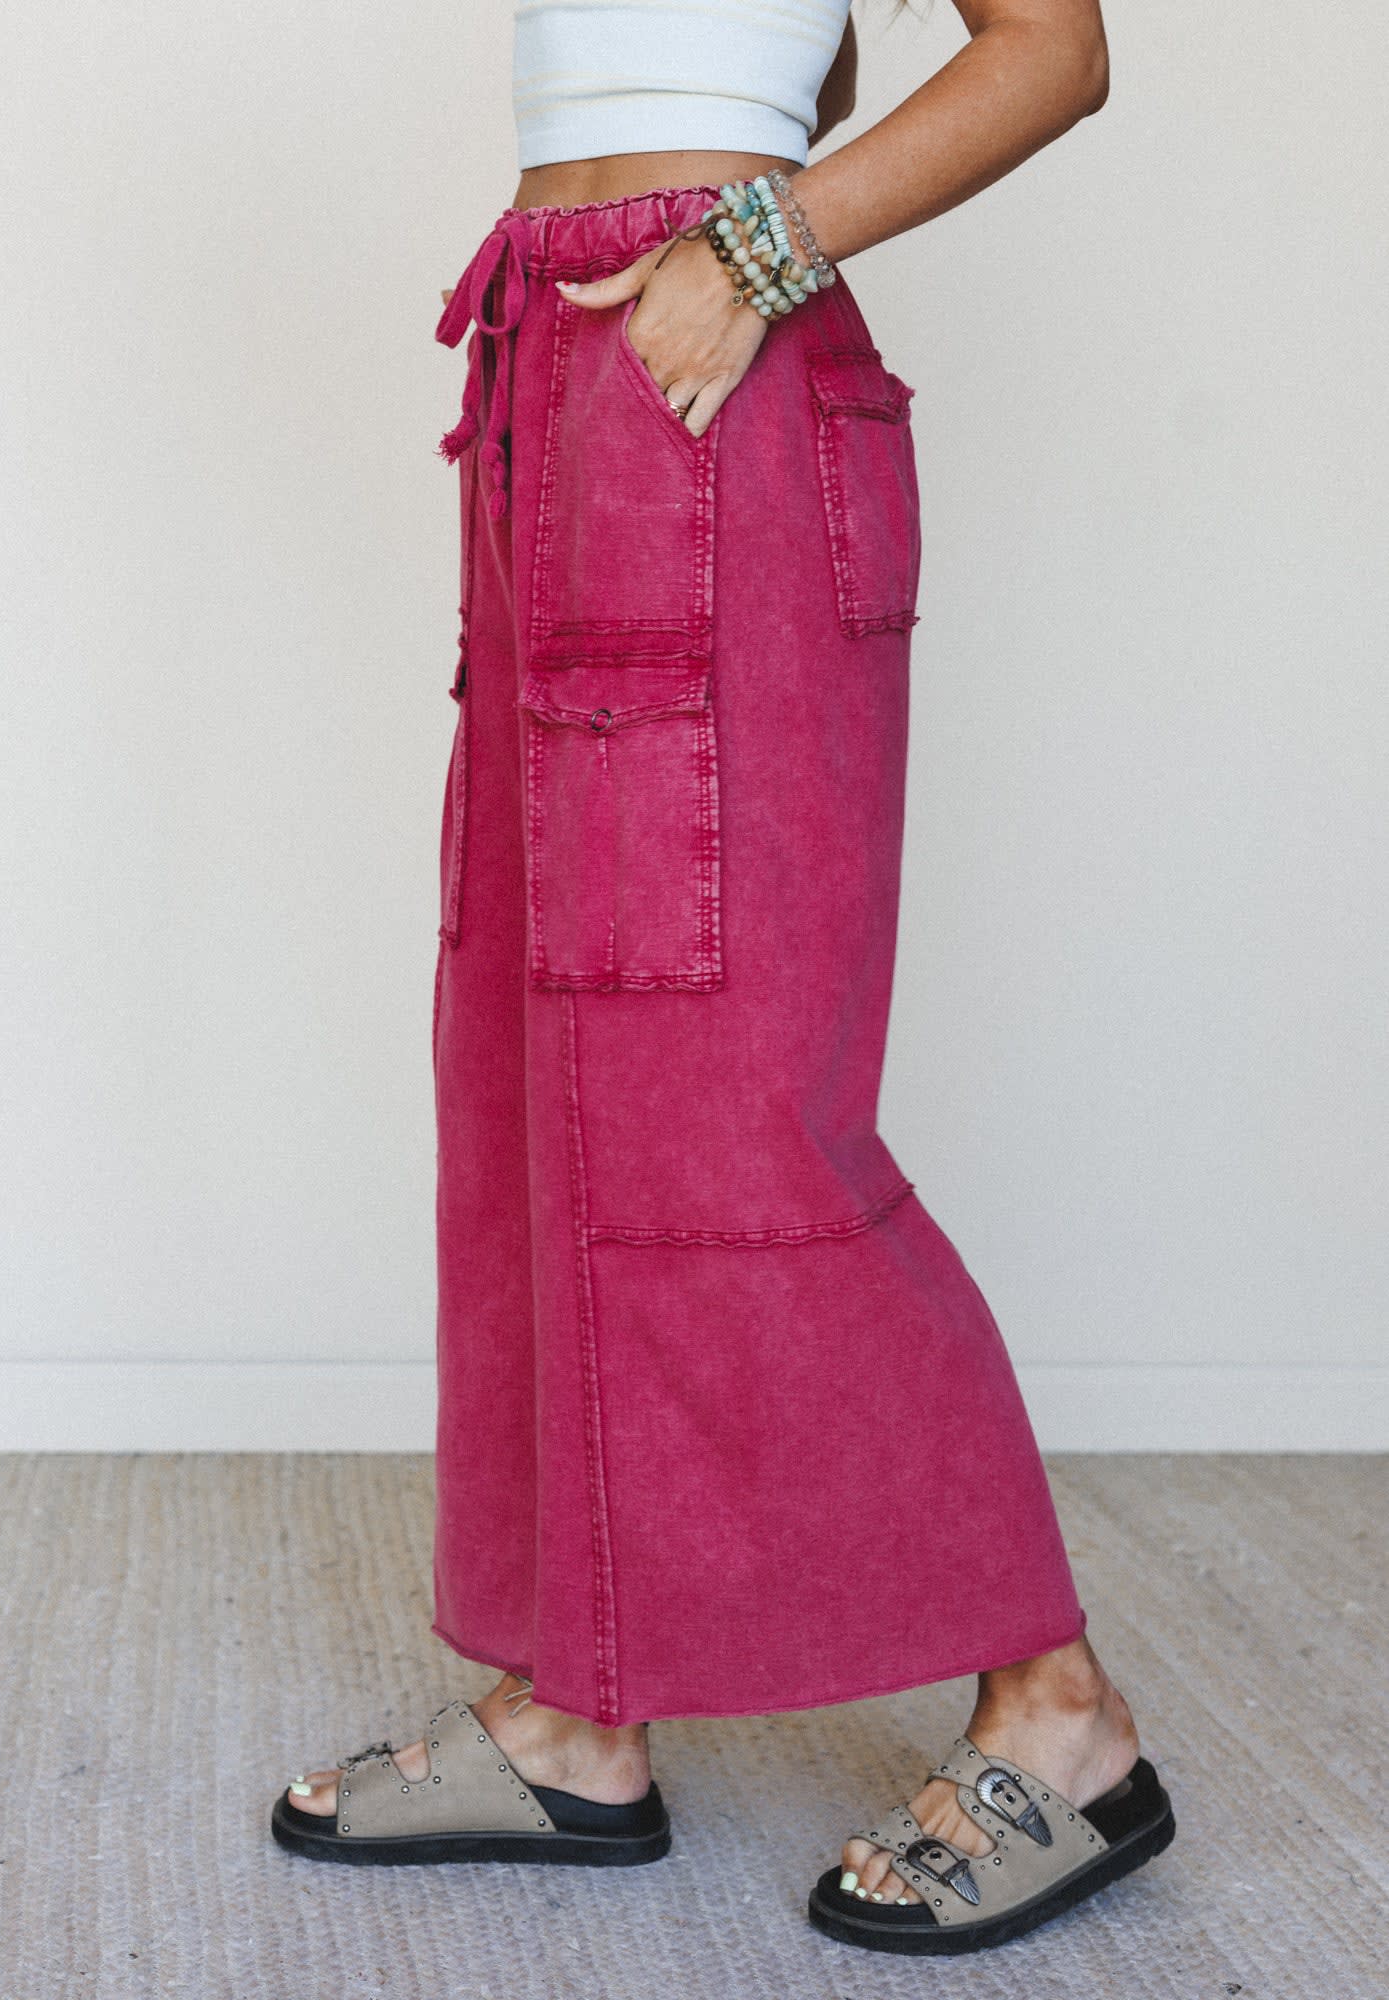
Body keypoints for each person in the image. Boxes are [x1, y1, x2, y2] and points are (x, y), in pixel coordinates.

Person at [271, 0, 1176, 1953]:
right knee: (538, 1068)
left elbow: (1050, 47)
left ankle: (1061, 1711)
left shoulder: (741, 272)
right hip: (558, 355)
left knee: (732, 1098)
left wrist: (759, 245)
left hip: (711, 377)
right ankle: (576, 1710)